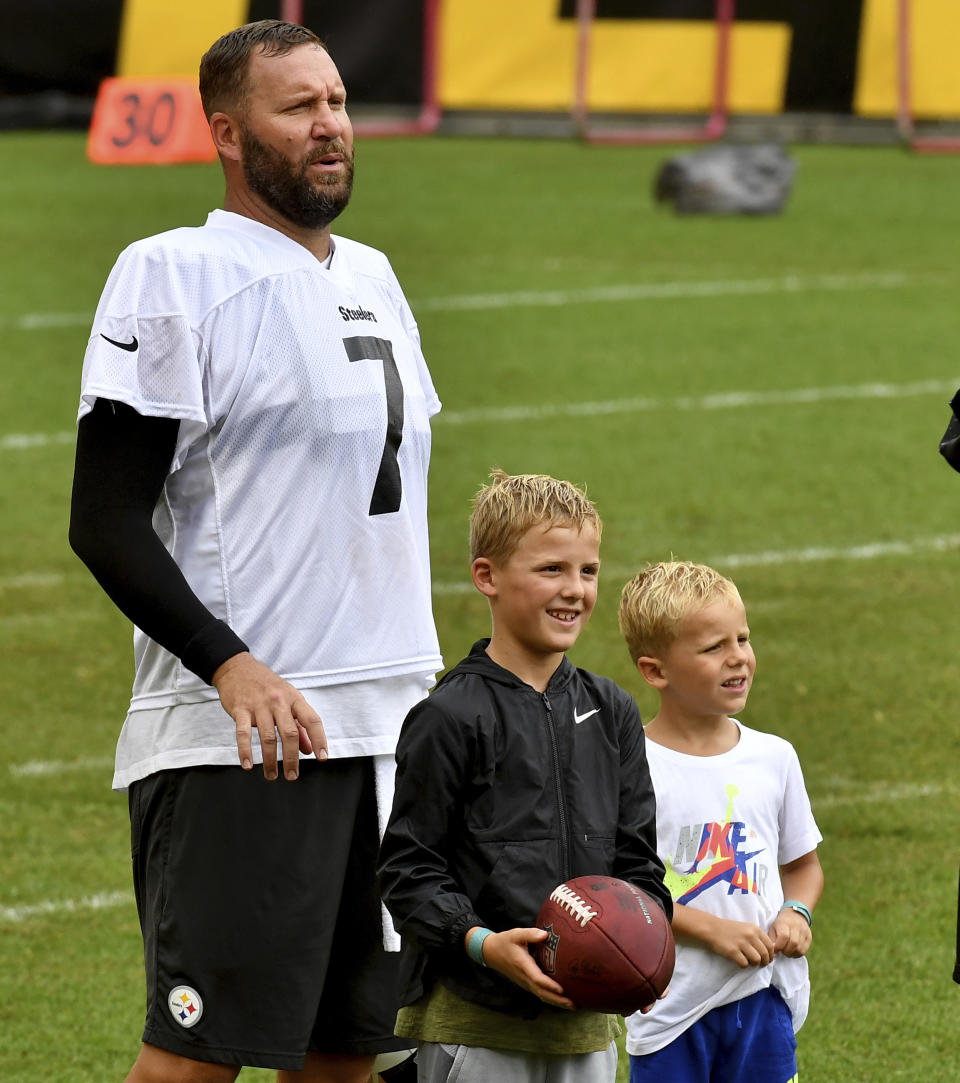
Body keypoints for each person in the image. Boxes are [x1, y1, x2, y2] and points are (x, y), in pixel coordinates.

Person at [68, 19, 441, 1083]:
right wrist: (229, 663)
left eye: (335, 101)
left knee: (346, 1060)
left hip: (387, 736)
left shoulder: (374, 273)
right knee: (194, 1061)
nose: (330, 126)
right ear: (229, 134)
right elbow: (102, 519)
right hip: (246, 744)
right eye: (299, 108)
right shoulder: (172, 272)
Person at [377, 469, 672, 1083]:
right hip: (475, 1027)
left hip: (587, 1030)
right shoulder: (447, 715)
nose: (574, 590)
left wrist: (646, 947)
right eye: (551, 570)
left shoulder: (611, 709)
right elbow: (408, 870)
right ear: (488, 576)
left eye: (587, 571)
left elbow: (638, 863)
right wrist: (483, 943)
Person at [616, 561, 824, 1083]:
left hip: (762, 998)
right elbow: (623, 891)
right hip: (669, 1011)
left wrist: (796, 912)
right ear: (655, 671)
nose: (738, 658)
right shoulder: (630, 764)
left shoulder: (774, 757)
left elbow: (803, 867)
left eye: (743, 638)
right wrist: (710, 930)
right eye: (713, 648)